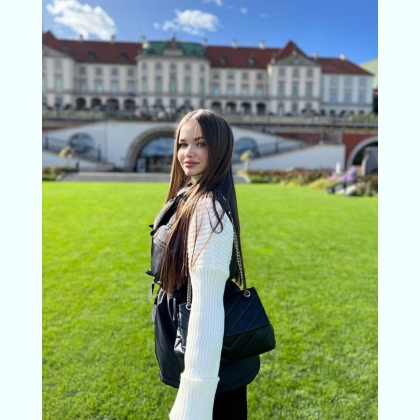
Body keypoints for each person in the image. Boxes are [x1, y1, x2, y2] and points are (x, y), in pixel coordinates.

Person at [147, 109, 260, 420]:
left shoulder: (208, 209)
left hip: (213, 367)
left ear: (219, 148)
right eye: (182, 144)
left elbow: (206, 309)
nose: (188, 152)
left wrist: (194, 402)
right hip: (210, 359)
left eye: (201, 143)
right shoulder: (190, 193)